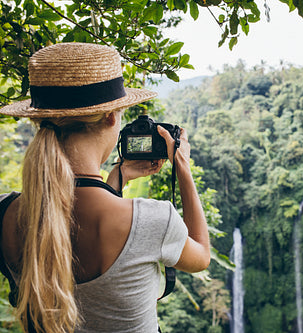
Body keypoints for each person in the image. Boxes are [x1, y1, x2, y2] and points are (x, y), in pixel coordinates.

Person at [0, 42, 210, 333]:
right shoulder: (153, 220)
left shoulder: (5, 213)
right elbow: (201, 256)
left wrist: (116, 180)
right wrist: (183, 168)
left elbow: (69, 216)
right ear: (112, 118)